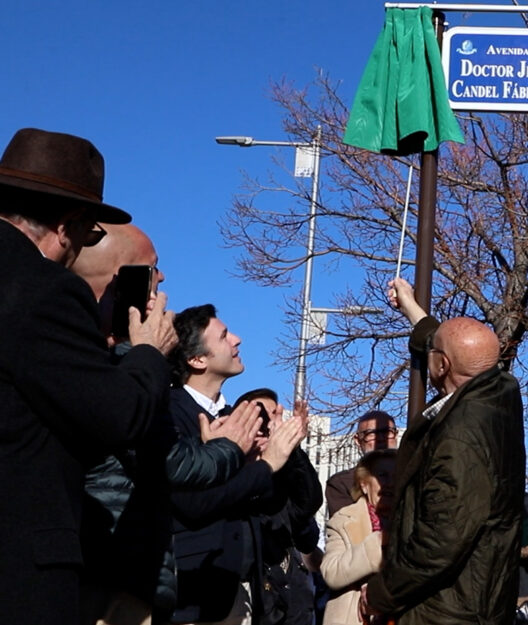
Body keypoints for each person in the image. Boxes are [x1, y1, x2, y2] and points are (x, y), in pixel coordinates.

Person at [0, 127, 178, 623]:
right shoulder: (43, 289)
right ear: (68, 223)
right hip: (18, 569)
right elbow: (116, 418)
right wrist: (148, 353)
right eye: (88, 232)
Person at [73, 224, 262, 624]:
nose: (161, 280)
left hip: (132, 578)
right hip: (110, 575)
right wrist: (232, 450)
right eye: (151, 269)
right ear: (119, 283)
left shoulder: (117, 360)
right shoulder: (110, 365)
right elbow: (170, 464)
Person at [363, 277, 526, 625]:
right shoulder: (499, 391)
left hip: (448, 610)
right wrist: (410, 307)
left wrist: (383, 593)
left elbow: (441, 541)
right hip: (478, 601)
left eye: (434, 355)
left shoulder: (460, 438)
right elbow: (449, 347)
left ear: (442, 366)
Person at [168, 305, 308, 625]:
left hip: (243, 592)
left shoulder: (238, 418)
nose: (237, 339)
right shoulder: (170, 413)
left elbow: (296, 506)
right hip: (189, 593)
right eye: (223, 335)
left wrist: (289, 450)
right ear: (197, 359)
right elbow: (191, 504)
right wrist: (264, 465)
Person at [237, 388, 324, 625]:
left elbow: (309, 504)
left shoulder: (283, 479)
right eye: (259, 415)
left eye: (274, 416)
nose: (266, 425)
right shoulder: (226, 473)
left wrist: (292, 448)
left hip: (290, 601)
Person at [319, 448, 396, 625]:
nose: (391, 483)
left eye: (396, 476)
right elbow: (331, 572)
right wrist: (377, 544)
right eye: (383, 476)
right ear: (364, 484)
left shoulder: (413, 519)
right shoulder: (343, 520)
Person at [325, 410, 398, 517]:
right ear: (358, 440)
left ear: (395, 435)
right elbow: (346, 526)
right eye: (372, 433)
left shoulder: (414, 476)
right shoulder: (342, 484)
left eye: (387, 432)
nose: (381, 439)